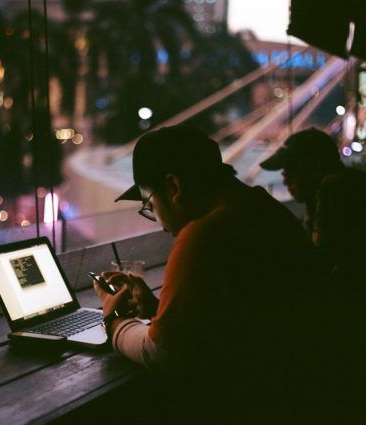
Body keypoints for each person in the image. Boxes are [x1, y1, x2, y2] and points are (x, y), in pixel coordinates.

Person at [92, 125, 362, 424]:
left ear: (173, 188)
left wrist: (114, 322)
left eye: (149, 205)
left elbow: (162, 354)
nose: (158, 222)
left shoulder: (203, 235)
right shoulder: (266, 210)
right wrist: (160, 310)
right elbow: (239, 314)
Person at [260, 128, 366, 281]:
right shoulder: (348, 185)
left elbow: (319, 265)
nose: (285, 181)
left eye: (289, 172)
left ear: (315, 168)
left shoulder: (335, 191)